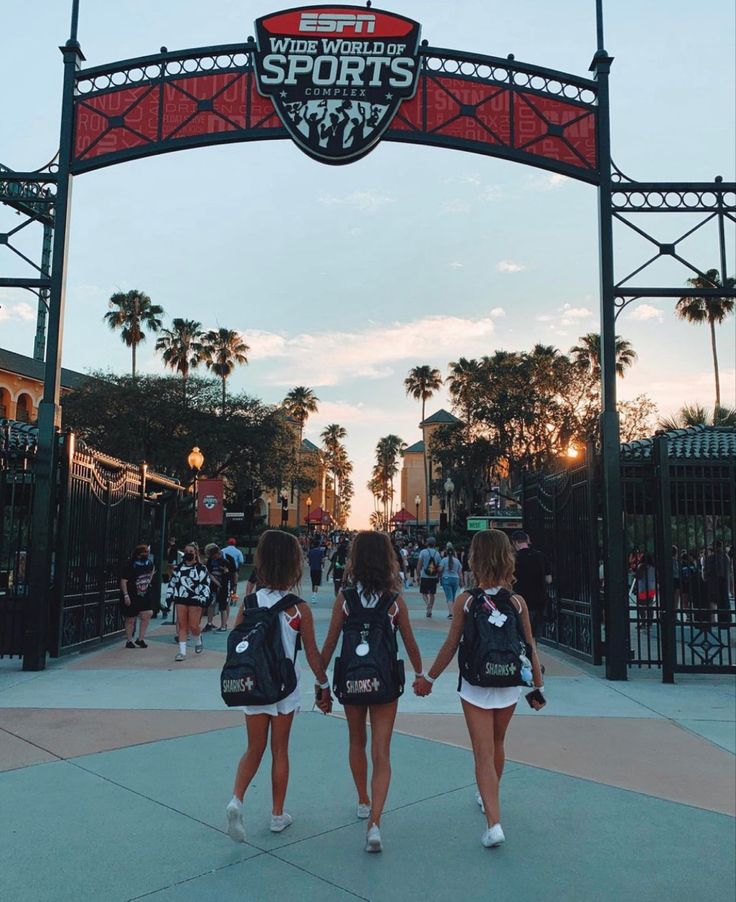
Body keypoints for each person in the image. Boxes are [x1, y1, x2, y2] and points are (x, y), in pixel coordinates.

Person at [413, 529, 545, 849]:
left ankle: (494, 822)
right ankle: (490, 797)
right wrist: (537, 687)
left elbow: (450, 645)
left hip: (475, 684)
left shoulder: (467, 601)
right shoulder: (517, 601)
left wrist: (428, 679)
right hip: (509, 682)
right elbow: (529, 647)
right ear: (506, 558)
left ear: (476, 559)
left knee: (482, 752)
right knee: (498, 743)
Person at [225, 530, 332, 843]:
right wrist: (323, 686)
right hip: (284, 687)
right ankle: (276, 814)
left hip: (253, 683)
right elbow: (311, 653)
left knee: (253, 747)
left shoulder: (249, 602)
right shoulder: (298, 609)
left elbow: (237, 641)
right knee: (280, 750)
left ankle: (237, 799)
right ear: (293, 566)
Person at [320, 531, 423, 853]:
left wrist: (320, 683)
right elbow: (410, 644)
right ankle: (374, 823)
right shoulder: (394, 602)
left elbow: (330, 644)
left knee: (355, 741)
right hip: (385, 682)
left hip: (351, 680)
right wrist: (422, 676)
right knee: (382, 751)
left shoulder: (345, 599)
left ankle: (363, 799)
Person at [165, 543, 210, 661]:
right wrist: (169, 595)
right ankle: (182, 652)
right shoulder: (178, 568)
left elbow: (205, 584)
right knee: (182, 625)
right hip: (180, 598)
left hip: (195, 599)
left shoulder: (201, 568)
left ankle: (198, 638)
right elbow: (172, 582)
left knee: (193, 625)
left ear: (195, 553)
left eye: (191, 551)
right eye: (186, 551)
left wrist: (204, 597)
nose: (188, 554)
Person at [510, 529, 552, 638]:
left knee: (521, 633)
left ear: (515, 542)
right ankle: (533, 653)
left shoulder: (513, 559)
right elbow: (549, 579)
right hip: (539, 600)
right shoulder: (540, 556)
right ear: (526, 540)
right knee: (534, 635)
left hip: (520, 600)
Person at [119, 543, 156, 649]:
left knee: (147, 614)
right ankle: (129, 640)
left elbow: (151, 573)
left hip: (144, 593)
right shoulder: (130, 564)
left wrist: (149, 580)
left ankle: (141, 639)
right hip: (132, 593)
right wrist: (126, 595)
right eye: (145, 553)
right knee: (130, 618)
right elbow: (124, 580)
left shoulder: (149, 563)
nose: (147, 554)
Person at [203, 543, 237, 632]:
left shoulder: (228, 559)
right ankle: (209, 623)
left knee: (224, 605)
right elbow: (209, 573)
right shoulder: (211, 560)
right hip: (214, 584)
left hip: (225, 584)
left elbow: (234, 573)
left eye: (213, 556)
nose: (213, 558)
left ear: (217, 552)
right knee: (211, 603)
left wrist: (234, 585)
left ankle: (223, 625)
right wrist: (216, 583)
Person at [417, 536, 442, 617]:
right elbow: (439, 566)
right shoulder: (437, 553)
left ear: (427, 543)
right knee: (432, 594)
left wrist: (418, 575)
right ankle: (430, 609)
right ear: (434, 544)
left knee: (423, 593)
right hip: (433, 576)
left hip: (424, 575)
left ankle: (427, 604)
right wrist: (438, 576)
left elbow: (419, 565)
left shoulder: (423, 552)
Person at [439, 542, 463, 617]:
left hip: (446, 579)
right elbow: (460, 572)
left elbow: (440, 569)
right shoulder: (457, 561)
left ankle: (451, 613)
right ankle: (453, 611)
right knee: (453, 596)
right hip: (455, 579)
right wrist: (461, 582)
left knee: (449, 597)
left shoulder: (444, 560)